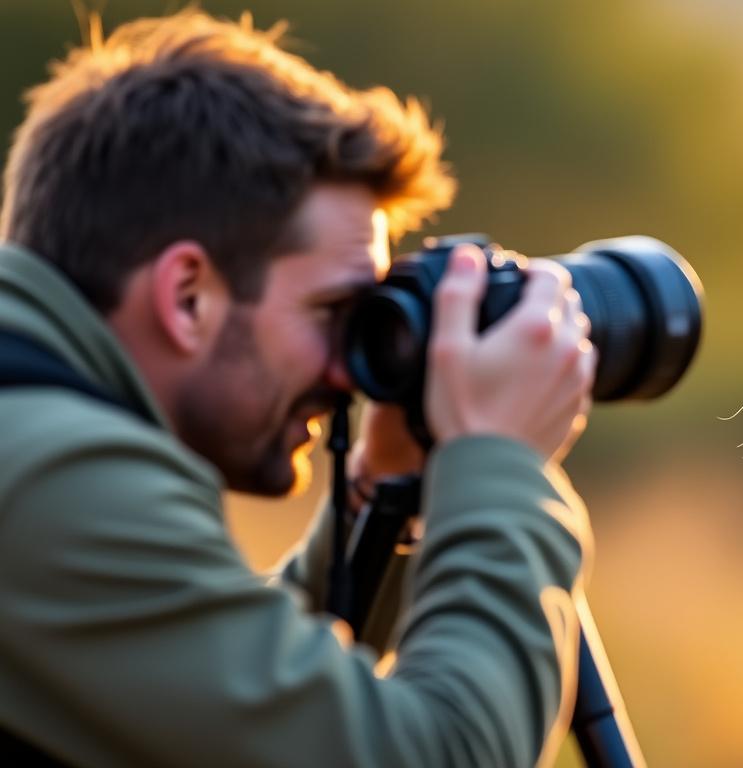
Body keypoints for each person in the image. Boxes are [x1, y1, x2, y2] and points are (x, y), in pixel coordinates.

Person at [0, 9, 596, 767]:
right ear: (188, 296)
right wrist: (499, 465)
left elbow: (209, 708)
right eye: (333, 313)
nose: (349, 371)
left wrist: (381, 492)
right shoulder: (52, 480)